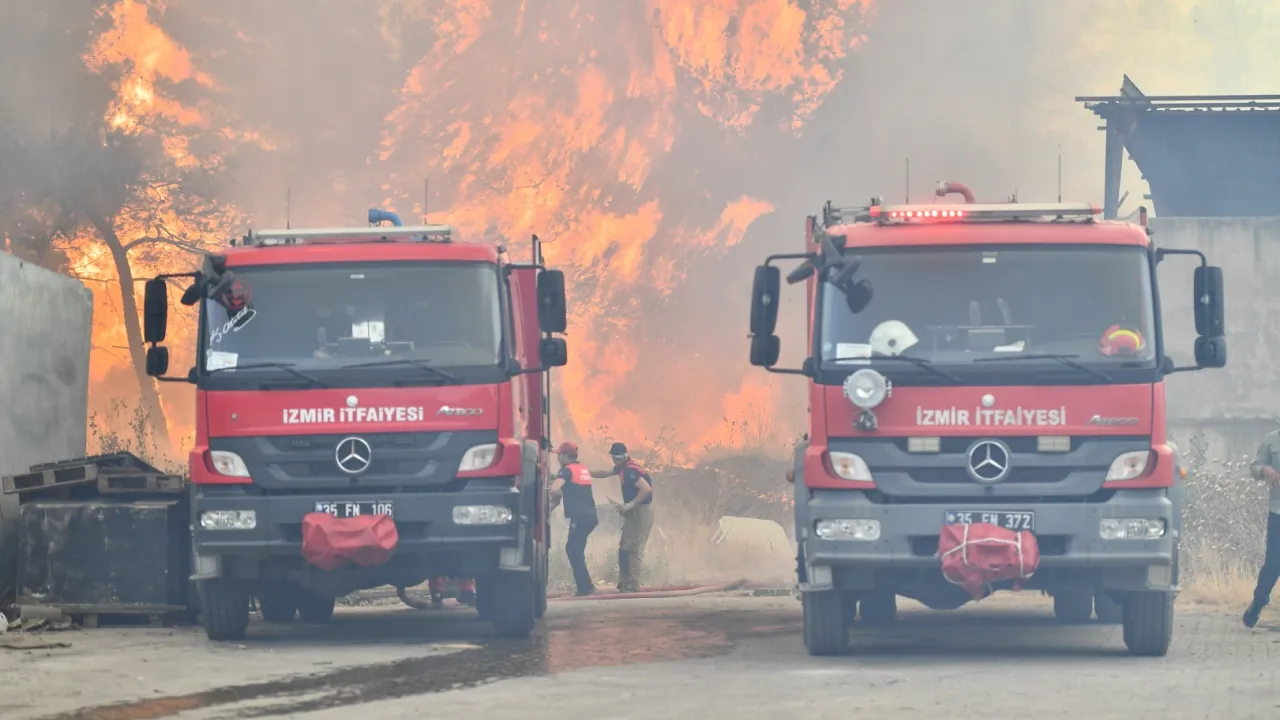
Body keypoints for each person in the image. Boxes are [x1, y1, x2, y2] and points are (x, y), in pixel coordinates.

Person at [589, 442, 654, 593]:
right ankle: (624, 583)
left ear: (615, 457)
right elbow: (603, 473)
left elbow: (646, 489)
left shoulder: (630, 470)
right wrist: (584, 472)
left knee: (633, 548)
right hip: (635, 512)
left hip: (640, 511)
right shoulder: (623, 467)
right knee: (624, 546)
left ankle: (632, 584)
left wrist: (630, 505)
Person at [548, 441, 599, 596]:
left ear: (564, 455)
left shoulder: (566, 470)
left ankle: (586, 588)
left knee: (573, 550)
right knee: (575, 549)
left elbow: (555, 489)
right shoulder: (581, 468)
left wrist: (555, 493)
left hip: (580, 516)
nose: (557, 458)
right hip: (590, 516)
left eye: (558, 455)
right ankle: (585, 587)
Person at [1244, 429, 1280, 628]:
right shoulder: (1272, 440)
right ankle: (1259, 601)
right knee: (1274, 564)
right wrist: (1265, 470)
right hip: (1278, 511)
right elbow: (1255, 467)